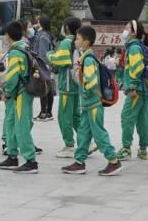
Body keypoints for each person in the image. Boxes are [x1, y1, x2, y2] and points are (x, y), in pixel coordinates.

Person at [61, 26, 123, 176]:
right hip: (88, 104)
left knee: (99, 133)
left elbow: (91, 81)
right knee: (83, 133)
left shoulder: (88, 60)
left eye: (78, 39)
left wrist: (86, 90)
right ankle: (79, 162)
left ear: (86, 42)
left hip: (93, 104)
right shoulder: (87, 57)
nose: (75, 41)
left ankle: (113, 161)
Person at [0, 21, 39, 173]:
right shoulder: (25, 47)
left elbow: (13, 77)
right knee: (12, 124)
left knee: (21, 127)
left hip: (19, 94)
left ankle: (31, 161)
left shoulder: (15, 52)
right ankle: (12, 156)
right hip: (23, 93)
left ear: (8, 36)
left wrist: (6, 92)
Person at [47, 16, 81, 158]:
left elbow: (59, 59)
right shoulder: (78, 41)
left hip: (66, 84)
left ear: (66, 27)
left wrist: (49, 55)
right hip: (76, 84)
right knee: (75, 116)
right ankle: (85, 140)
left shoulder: (66, 42)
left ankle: (69, 145)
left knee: (64, 116)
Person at [117, 20, 148, 161]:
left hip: (136, 90)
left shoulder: (134, 48)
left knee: (127, 117)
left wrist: (132, 86)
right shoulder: (137, 46)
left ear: (133, 32)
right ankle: (143, 150)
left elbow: (137, 68)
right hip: (144, 90)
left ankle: (126, 148)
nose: (124, 30)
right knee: (143, 120)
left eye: (127, 27)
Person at [32, 16, 55, 122]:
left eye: (37, 22)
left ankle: (44, 112)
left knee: (44, 88)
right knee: (48, 88)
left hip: (43, 65)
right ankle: (48, 112)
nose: (35, 24)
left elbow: (42, 54)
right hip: (46, 66)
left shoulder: (42, 37)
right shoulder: (46, 35)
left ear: (41, 24)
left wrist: (41, 67)